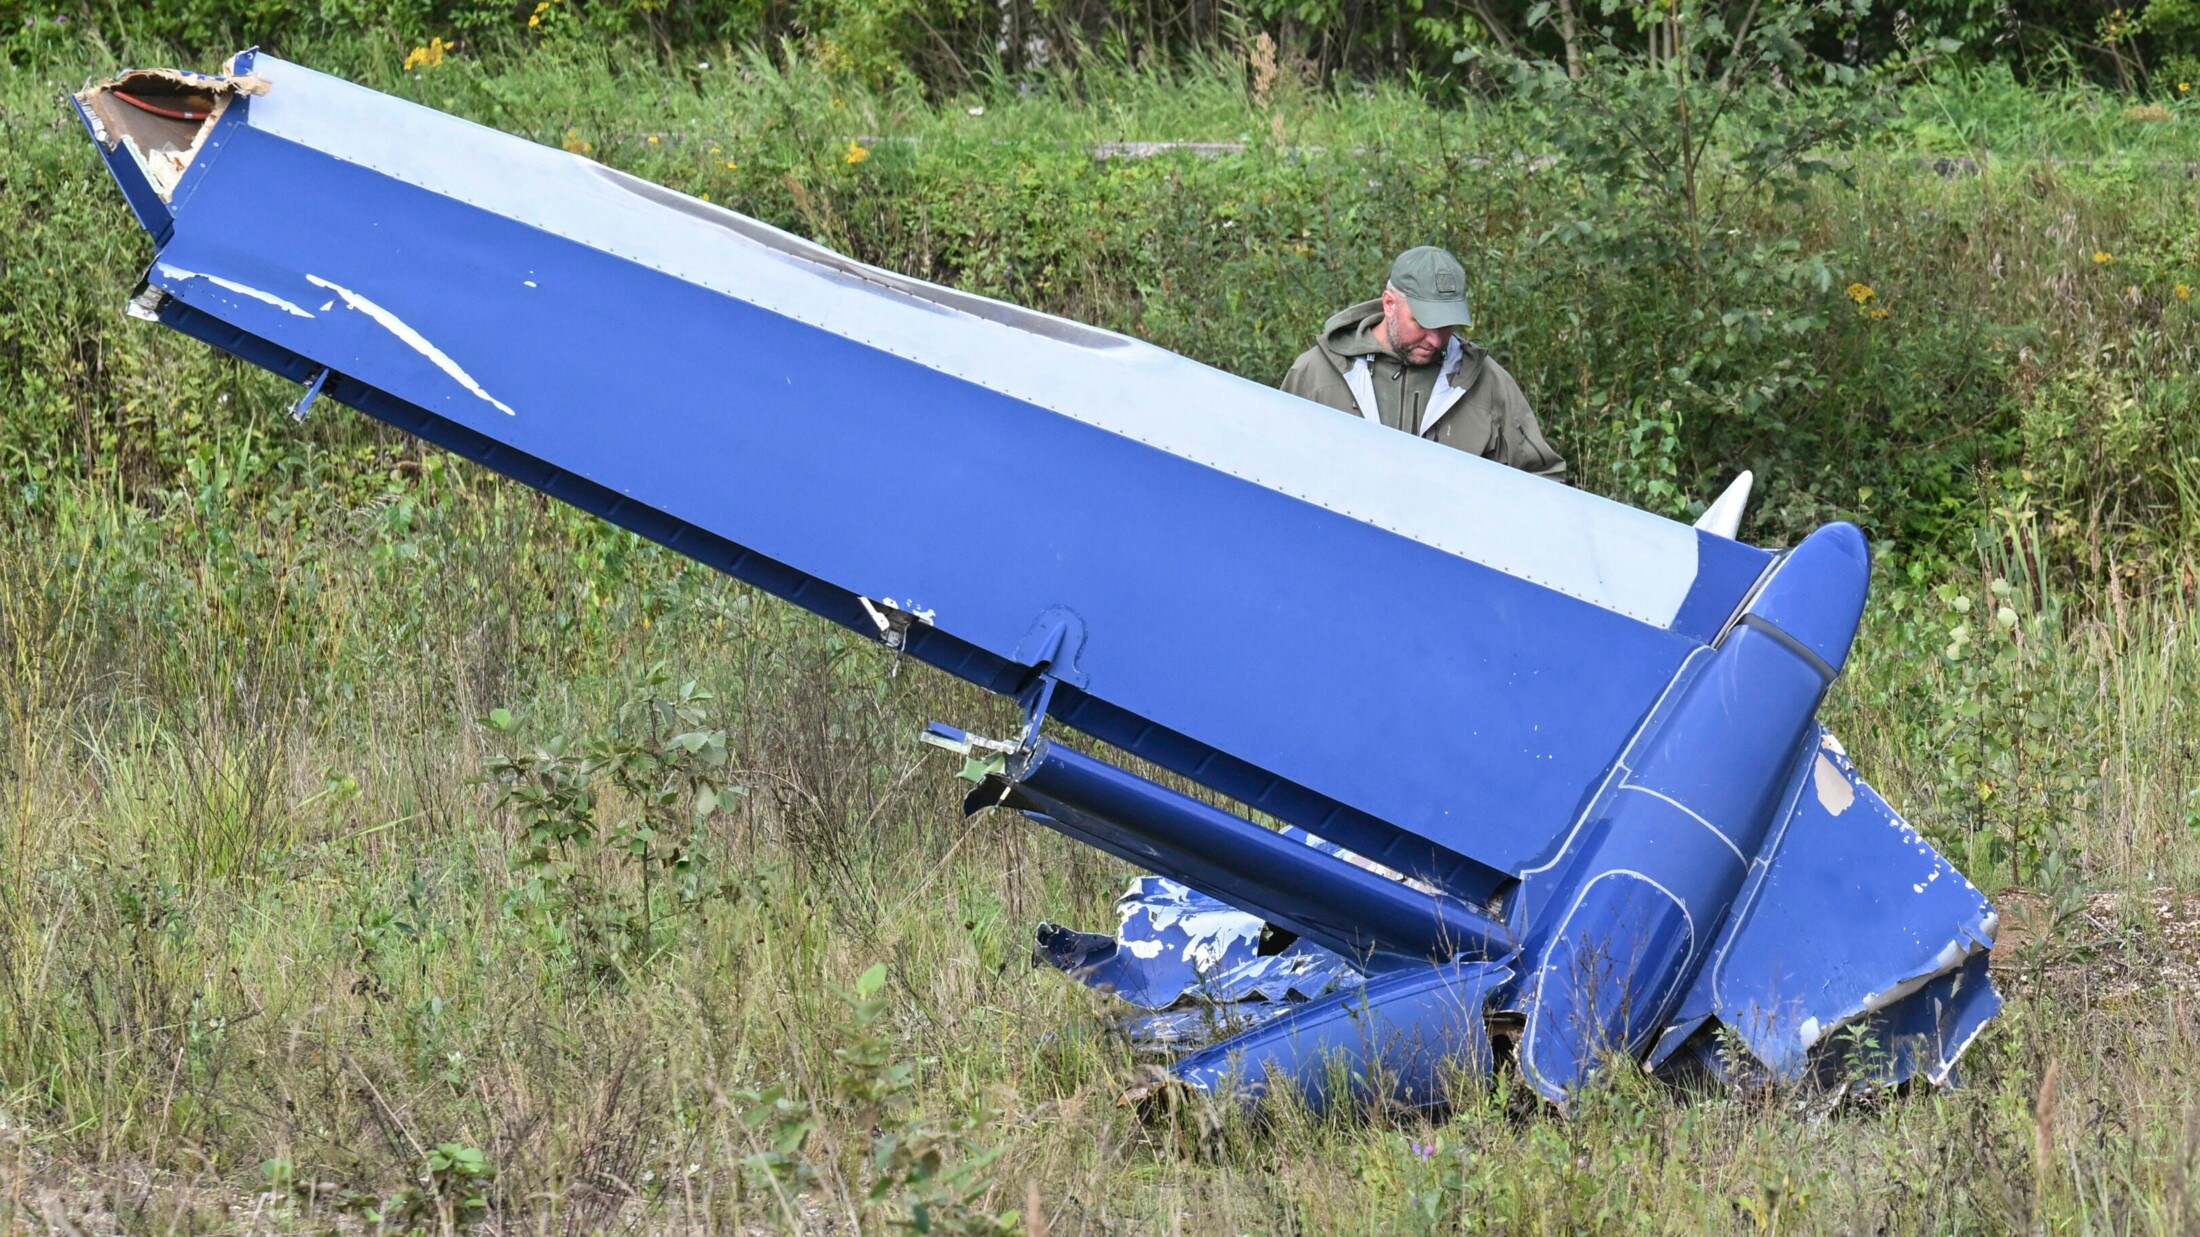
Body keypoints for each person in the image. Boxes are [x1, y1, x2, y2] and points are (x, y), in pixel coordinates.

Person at [1281, 246, 1566, 482]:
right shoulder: (1315, 374)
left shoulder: (1487, 383)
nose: (1435, 340)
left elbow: (1544, 480)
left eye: (1446, 325)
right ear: (1389, 304)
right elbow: (1276, 468)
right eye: (1422, 322)